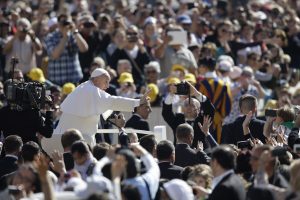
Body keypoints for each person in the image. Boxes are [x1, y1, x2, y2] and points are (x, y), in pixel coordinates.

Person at [54, 68, 150, 147]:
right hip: (73, 141)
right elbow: (113, 101)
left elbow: (106, 108)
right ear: (96, 80)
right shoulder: (91, 90)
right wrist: (138, 102)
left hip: (72, 139)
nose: (108, 86)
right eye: (106, 82)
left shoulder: (85, 88)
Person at [162, 81, 215, 148]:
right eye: (186, 105)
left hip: (200, 155)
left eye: (192, 105)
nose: (189, 108)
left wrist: (197, 94)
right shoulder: (178, 119)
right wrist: (171, 94)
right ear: (183, 109)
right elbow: (166, 112)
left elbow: (210, 109)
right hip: (180, 155)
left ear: (198, 110)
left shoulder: (203, 120)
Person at [0, 79, 54, 144]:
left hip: (9, 150)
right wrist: (49, 110)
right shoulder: (33, 112)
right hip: (30, 151)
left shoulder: (3, 112)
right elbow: (48, 133)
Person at [44, 14, 88, 85]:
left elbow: (84, 49)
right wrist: (65, 37)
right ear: (58, 24)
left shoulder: (74, 35)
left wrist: (75, 31)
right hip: (57, 81)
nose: (65, 24)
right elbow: (55, 55)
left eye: (67, 22)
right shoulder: (50, 37)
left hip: (74, 80)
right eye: (63, 22)